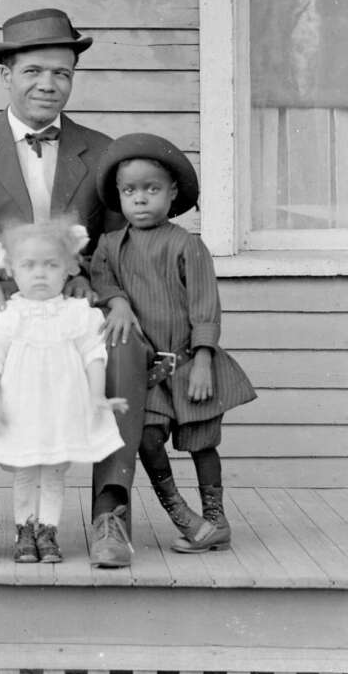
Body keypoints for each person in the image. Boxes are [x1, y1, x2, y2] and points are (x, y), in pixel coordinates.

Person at [0, 8, 145, 567]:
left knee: (122, 343)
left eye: (62, 73)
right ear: (6, 75)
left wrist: (97, 286)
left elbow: (117, 242)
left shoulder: (102, 150)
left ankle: (110, 513)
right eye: (33, 71)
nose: (48, 84)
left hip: (75, 296)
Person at [91, 133, 257, 552]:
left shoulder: (187, 245)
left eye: (152, 189)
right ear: (118, 195)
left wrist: (203, 360)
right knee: (147, 438)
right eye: (130, 190)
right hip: (149, 372)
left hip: (189, 364)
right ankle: (183, 515)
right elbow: (101, 282)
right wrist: (117, 302)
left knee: (201, 442)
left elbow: (205, 308)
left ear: (172, 193)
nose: (140, 199)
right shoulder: (110, 246)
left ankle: (216, 519)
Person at [0, 218, 128, 563]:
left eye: (51, 265)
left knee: (55, 470)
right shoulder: (7, 315)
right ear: (12, 269)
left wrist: (96, 396)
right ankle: (24, 531)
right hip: (21, 406)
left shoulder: (77, 313)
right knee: (26, 470)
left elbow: (94, 355)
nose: (40, 274)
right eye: (29, 265)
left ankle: (48, 532)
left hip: (61, 406)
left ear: (69, 268)